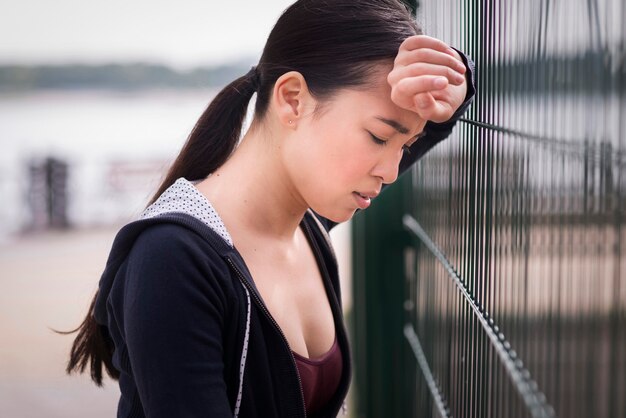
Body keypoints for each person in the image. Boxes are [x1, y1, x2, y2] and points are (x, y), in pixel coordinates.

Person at [62, 0, 475, 416]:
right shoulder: (172, 259)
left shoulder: (304, 225)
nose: (390, 170)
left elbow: (433, 122)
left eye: (403, 147)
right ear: (293, 99)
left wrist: (456, 79)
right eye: (378, 137)